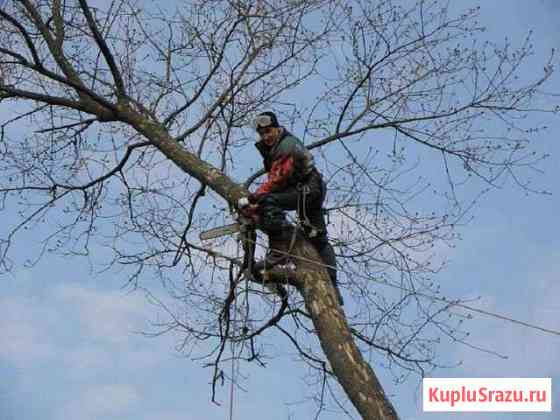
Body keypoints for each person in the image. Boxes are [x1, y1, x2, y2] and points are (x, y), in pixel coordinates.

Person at [238, 111, 343, 305]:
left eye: (269, 131)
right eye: (262, 134)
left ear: (277, 128)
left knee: (269, 202)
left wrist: (255, 198)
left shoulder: (286, 146)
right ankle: (333, 287)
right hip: (304, 190)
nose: (266, 137)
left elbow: (276, 179)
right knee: (316, 237)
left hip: (308, 191)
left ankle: (280, 251)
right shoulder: (273, 148)